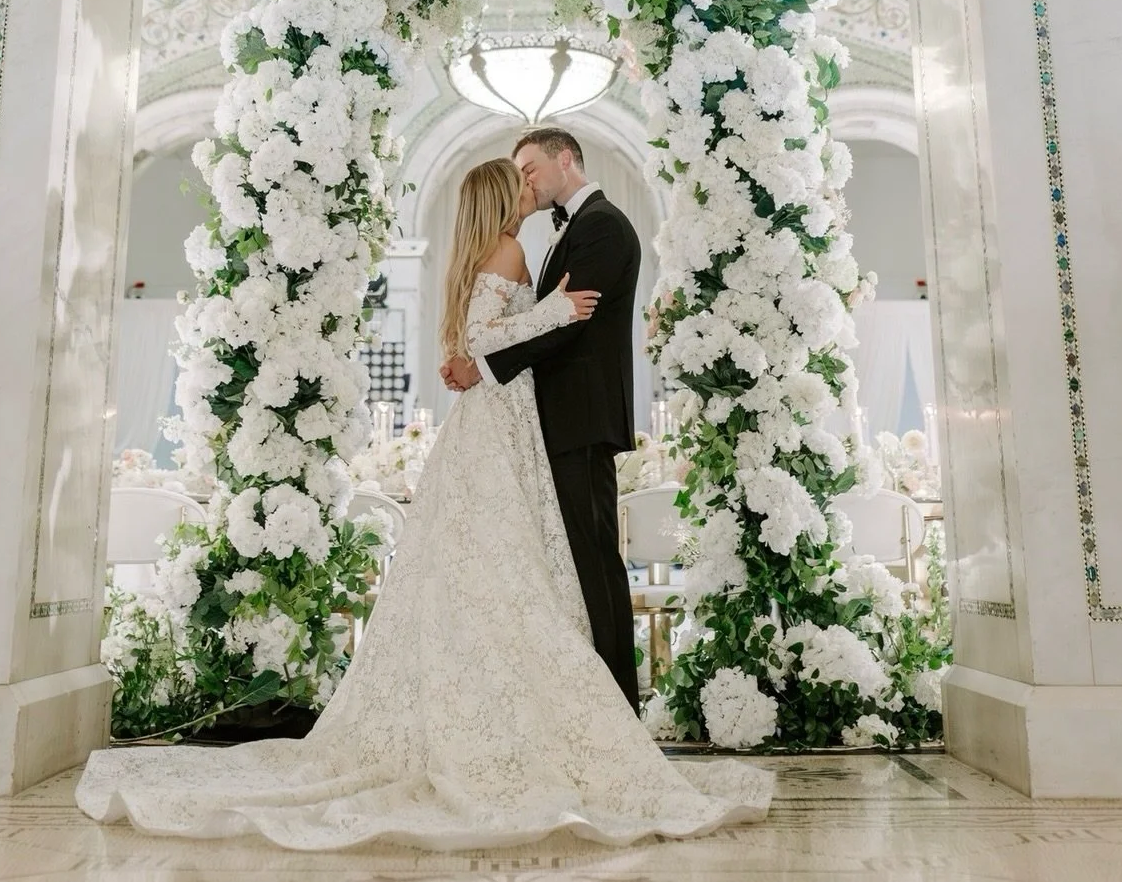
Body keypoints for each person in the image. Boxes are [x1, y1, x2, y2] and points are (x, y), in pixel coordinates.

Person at [77, 158, 771, 851]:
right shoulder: (505, 248)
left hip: (504, 420)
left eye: (534, 173)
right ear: (504, 196)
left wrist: (523, 325)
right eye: (521, 180)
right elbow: (482, 338)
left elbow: (479, 339)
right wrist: (557, 308)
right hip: (497, 424)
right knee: (504, 566)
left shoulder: (510, 246)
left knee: (499, 568)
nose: (531, 186)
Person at [441, 126, 642, 713]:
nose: (524, 179)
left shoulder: (602, 225)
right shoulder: (560, 233)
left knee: (595, 559)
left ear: (565, 158)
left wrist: (482, 366)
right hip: (546, 420)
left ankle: (617, 706)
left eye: (530, 167)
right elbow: (545, 315)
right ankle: (581, 701)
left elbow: (570, 321)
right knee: (566, 564)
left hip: (579, 418)